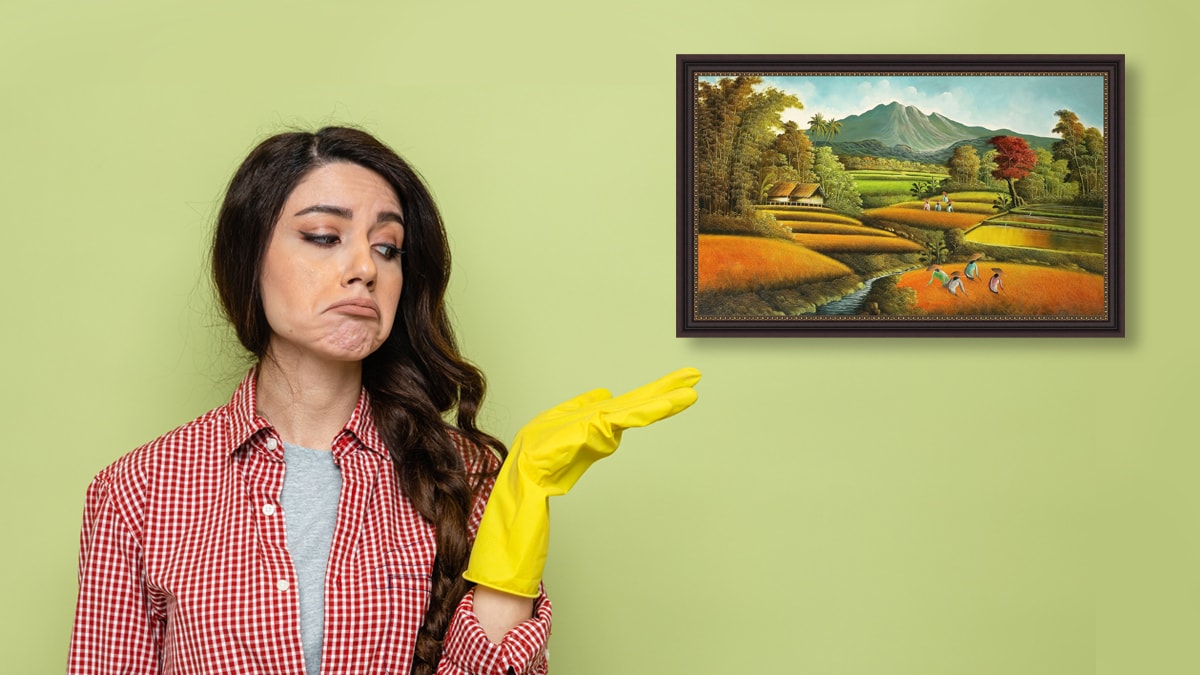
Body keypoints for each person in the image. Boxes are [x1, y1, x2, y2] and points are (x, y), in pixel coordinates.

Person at [66, 126, 700, 675]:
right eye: (322, 236)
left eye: (387, 247)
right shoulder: (139, 493)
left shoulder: (468, 477)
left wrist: (523, 494)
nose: (364, 268)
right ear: (247, 261)